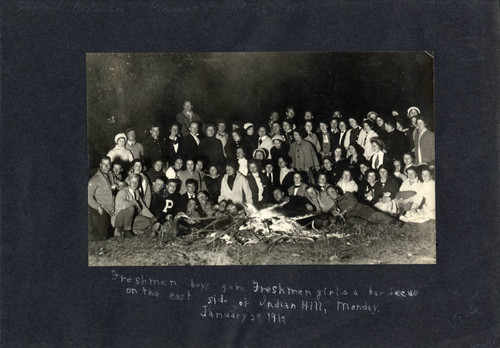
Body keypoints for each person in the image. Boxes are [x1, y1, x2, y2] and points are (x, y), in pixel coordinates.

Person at [325, 186, 397, 226]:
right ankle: (373, 225)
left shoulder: (347, 194)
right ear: (329, 196)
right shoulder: (336, 204)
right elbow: (331, 210)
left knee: (374, 216)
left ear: (337, 191)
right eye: (330, 193)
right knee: (352, 221)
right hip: (352, 216)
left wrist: (343, 212)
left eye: (332, 191)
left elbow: (353, 202)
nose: (332, 193)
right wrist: (333, 212)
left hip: (359, 209)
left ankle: (393, 222)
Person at [88, 156, 115, 241]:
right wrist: (98, 207)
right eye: (104, 164)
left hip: (111, 209)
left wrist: (118, 185)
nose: (106, 167)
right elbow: (88, 196)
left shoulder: (110, 174)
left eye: (108, 164)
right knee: (102, 237)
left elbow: (115, 182)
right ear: (100, 165)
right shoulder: (95, 179)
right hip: (102, 209)